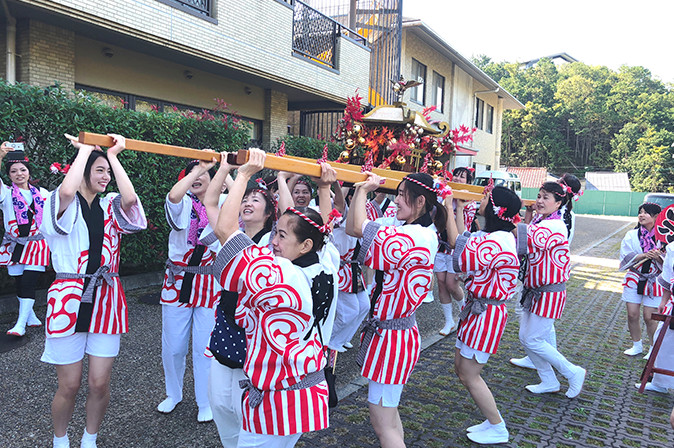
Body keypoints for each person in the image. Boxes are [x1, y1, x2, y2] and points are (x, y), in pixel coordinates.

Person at [206, 149, 339, 448]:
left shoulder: (282, 276)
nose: (273, 243)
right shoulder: (327, 264)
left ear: (305, 245)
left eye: (280, 236)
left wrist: (243, 175)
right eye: (274, 233)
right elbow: (322, 229)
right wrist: (324, 188)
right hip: (304, 386)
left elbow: (226, 229)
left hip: (280, 397)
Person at [40, 134, 146, 448]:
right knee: (69, 385)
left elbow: (131, 203)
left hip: (106, 297)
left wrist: (113, 157)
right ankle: (60, 439)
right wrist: (86, 150)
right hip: (67, 298)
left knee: (99, 383)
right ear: (84, 170)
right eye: (99, 171)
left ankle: (90, 438)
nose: (105, 177)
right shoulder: (58, 202)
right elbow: (68, 189)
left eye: (107, 173)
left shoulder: (110, 204)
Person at [346, 172, 443, 448]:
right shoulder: (418, 231)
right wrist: (359, 191)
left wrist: (363, 189)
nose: (396, 200)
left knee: (382, 422)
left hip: (392, 339)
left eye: (402, 194)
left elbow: (357, 228)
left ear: (420, 201)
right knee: (389, 415)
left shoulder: (411, 237)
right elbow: (356, 227)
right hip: (396, 335)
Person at [203, 158, 277, 447]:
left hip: (256, 334)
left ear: (270, 212)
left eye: (255, 200)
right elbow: (211, 204)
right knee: (220, 403)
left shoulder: (276, 241)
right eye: (243, 199)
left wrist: (245, 175)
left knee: (245, 406)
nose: (247, 203)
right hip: (226, 325)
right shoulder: (233, 236)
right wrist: (223, 167)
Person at [445, 185, 521, 445]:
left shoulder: (499, 241)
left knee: (469, 373)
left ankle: (498, 426)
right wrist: (456, 207)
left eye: (487, 197)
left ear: (496, 208)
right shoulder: (496, 235)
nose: (482, 199)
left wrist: (448, 206)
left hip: (486, 313)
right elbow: (464, 238)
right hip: (478, 308)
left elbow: (458, 246)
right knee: (461, 368)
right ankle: (492, 421)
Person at [157, 158, 224, 422]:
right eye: (193, 173)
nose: (198, 177)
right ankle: (173, 393)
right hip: (177, 281)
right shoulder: (182, 203)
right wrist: (199, 170)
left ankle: (204, 400)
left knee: (204, 347)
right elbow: (174, 195)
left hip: (210, 281)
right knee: (173, 346)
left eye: (205, 174)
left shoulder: (223, 203)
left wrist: (220, 167)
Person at [517, 181, 586, 399]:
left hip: (548, 292)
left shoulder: (554, 226)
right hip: (535, 289)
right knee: (526, 337)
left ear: (558, 203)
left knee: (533, 339)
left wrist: (505, 217)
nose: (539, 201)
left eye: (546, 197)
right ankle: (548, 379)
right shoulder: (543, 220)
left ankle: (572, 372)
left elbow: (524, 241)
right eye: (539, 196)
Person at [0, 142, 49, 336]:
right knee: (19, 281)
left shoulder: (42, 193)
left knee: (29, 281)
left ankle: (20, 324)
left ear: (29, 171)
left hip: (37, 243)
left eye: (23, 170)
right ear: (9, 175)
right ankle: (29, 315)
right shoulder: (6, 193)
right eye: (13, 171)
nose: (19, 174)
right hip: (15, 244)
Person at [436, 167, 479, 335]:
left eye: (463, 177)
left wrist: (458, 208)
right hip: (441, 245)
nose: (459, 179)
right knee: (441, 282)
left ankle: (465, 313)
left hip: (457, 248)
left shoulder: (470, 201)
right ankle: (449, 321)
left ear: (469, 182)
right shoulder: (444, 196)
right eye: (457, 176)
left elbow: (461, 232)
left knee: (452, 284)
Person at [619, 202, 663, 359]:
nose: (641, 215)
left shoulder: (664, 238)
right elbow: (626, 256)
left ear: (657, 217)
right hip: (634, 277)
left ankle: (653, 347)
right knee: (632, 314)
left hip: (655, 280)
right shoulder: (632, 235)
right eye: (640, 212)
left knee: (650, 317)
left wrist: (659, 257)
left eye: (646, 213)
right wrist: (644, 255)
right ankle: (636, 344)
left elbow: (670, 260)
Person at [637, 235, 674, 393]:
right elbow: (667, 277)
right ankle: (660, 383)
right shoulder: (672, 248)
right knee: (663, 339)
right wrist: (663, 301)